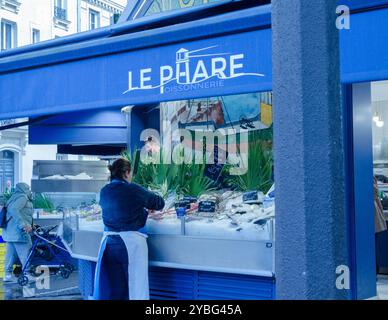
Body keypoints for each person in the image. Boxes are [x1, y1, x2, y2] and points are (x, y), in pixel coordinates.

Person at [93, 158, 165, 300]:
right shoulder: (133, 189)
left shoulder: (104, 191)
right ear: (126, 173)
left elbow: (120, 210)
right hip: (130, 244)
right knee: (136, 288)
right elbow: (159, 203)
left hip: (108, 244)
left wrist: (144, 212)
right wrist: (147, 210)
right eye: (130, 173)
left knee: (116, 288)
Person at [2, 183, 34, 282]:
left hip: (10, 233)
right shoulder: (23, 197)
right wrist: (23, 225)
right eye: (28, 188)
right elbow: (13, 209)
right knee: (26, 253)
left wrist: (31, 224)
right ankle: (27, 274)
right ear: (23, 189)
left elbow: (21, 213)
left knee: (10, 255)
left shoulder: (14, 197)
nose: (29, 190)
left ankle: (7, 275)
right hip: (19, 232)